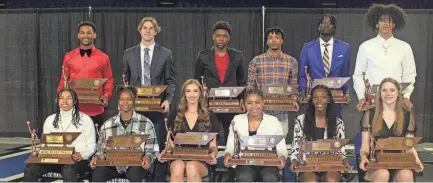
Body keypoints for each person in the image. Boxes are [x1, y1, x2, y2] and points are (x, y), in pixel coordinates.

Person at [122, 16, 175, 181]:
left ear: (156, 31)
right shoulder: (128, 53)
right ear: (139, 30)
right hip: (136, 107)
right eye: (144, 27)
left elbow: (170, 82)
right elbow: (125, 81)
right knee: (137, 143)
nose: (147, 30)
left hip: (156, 107)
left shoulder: (166, 54)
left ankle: (158, 178)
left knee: (158, 144)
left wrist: (167, 100)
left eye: (151, 28)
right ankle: (138, 176)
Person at [353, 4, 416, 111]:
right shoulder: (365, 46)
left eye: (389, 20)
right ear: (376, 24)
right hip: (372, 102)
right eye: (382, 20)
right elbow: (358, 75)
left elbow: (409, 75)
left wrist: (406, 96)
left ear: (394, 24)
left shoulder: (405, 47)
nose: (386, 23)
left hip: (396, 102)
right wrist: (361, 97)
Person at [23, 89, 96, 182]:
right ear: (57, 101)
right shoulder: (50, 120)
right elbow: (45, 144)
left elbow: (92, 145)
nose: (65, 101)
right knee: (30, 169)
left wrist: (82, 154)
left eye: (68, 98)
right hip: (53, 160)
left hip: (76, 161)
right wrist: (39, 152)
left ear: (75, 101)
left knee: (68, 170)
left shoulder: (85, 120)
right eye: (61, 98)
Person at [359, 78, 423, 182]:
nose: (388, 93)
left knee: (406, 175)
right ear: (380, 93)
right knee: (383, 173)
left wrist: (416, 159)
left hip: (399, 161)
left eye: (392, 90)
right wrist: (363, 157)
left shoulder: (407, 115)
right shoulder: (370, 114)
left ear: (398, 93)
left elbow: (409, 146)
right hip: (377, 162)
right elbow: (365, 146)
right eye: (384, 90)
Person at [90, 85, 159, 182]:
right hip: (112, 164)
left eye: (129, 99)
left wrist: (147, 158)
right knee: (98, 172)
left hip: (135, 164)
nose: (125, 102)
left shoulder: (146, 123)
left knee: (136, 173)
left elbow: (152, 149)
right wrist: (96, 158)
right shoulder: (107, 125)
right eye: (122, 99)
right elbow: (102, 151)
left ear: (134, 101)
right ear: (118, 102)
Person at [194, 21, 246, 145]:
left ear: (228, 38)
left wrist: (242, 100)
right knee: (211, 137)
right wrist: (200, 101)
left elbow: (242, 80)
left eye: (224, 36)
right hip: (210, 104)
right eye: (218, 35)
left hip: (232, 104)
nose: (221, 39)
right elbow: (196, 81)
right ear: (213, 36)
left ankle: (230, 162)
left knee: (232, 137)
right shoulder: (203, 55)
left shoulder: (237, 56)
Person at [157, 79, 219, 182]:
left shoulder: (209, 115)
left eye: (195, 91)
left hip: (201, 162)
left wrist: (213, 154)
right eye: (188, 91)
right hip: (178, 159)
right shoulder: (174, 114)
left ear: (200, 93)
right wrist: (164, 153)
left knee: (191, 167)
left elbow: (213, 146)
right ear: (184, 94)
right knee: (178, 166)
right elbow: (170, 143)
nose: (192, 94)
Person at [57, 21, 114, 127]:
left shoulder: (103, 57)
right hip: (73, 108)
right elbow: (63, 80)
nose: (85, 36)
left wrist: (106, 96)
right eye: (82, 33)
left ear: (94, 35)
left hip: (96, 109)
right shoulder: (69, 56)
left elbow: (109, 80)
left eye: (89, 33)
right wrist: (60, 96)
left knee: (95, 141)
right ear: (78, 35)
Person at [223, 89, 287, 182]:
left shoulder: (273, 121)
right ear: (244, 104)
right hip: (244, 161)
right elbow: (231, 144)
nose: (254, 106)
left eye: (257, 102)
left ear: (263, 102)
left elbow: (281, 147)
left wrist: (282, 156)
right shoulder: (237, 120)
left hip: (268, 162)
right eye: (249, 103)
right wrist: (228, 154)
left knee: (270, 178)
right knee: (244, 177)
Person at [247, 26, 299, 137]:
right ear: (266, 41)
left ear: (282, 40)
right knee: (261, 145)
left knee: (280, 143)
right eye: (270, 38)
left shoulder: (291, 61)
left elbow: (293, 84)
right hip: (262, 110)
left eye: (277, 37)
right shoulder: (256, 61)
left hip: (282, 110)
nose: (274, 40)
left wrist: (294, 99)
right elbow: (250, 85)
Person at [290, 85, 347, 182]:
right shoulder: (300, 120)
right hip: (307, 164)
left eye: (323, 97)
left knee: (331, 180)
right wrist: (294, 161)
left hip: (330, 163)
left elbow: (341, 151)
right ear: (312, 100)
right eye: (315, 97)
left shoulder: (338, 123)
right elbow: (295, 147)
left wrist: (344, 161)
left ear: (329, 99)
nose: (319, 100)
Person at [299, 14, 351, 118]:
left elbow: (345, 73)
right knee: (313, 131)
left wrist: (347, 92)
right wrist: (303, 90)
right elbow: (302, 74)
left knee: (334, 131)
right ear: (318, 27)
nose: (326, 25)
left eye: (329, 23)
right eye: (323, 23)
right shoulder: (308, 48)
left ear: (334, 27)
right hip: (314, 99)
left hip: (335, 98)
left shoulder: (344, 48)